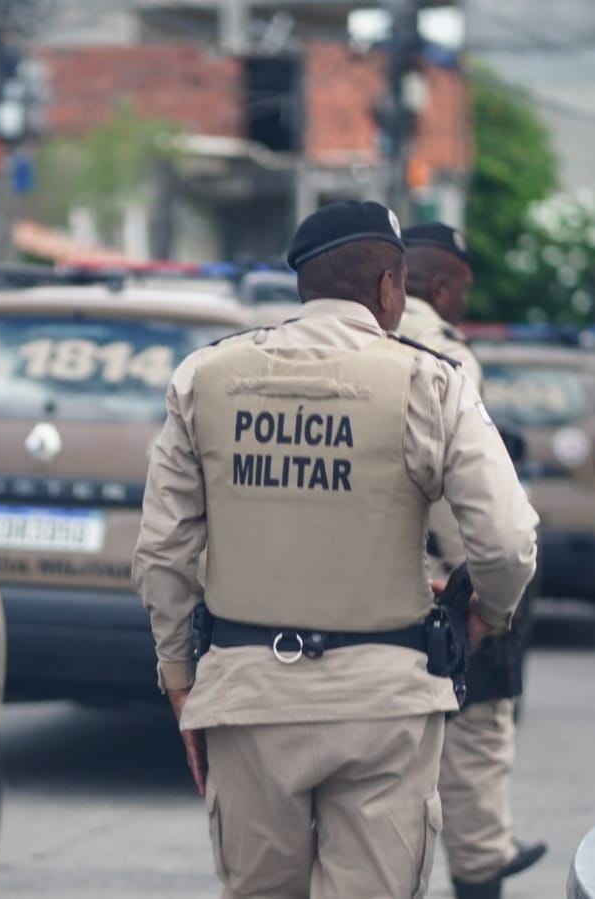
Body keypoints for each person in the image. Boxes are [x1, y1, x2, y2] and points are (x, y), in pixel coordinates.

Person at [133, 200, 539, 898]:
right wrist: (489, 616)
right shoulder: (431, 381)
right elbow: (506, 541)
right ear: (390, 288)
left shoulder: (204, 378)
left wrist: (179, 678)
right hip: (383, 704)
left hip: (248, 694)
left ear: (303, 286)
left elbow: (164, 551)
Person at [400, 222, 547, 899]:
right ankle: (482, 865)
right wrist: (487, 599)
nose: (464, 303)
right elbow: (470, 504)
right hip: (441, 583)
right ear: (440, 285)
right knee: (476, 737)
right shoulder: (447, 355)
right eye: (462, 290)